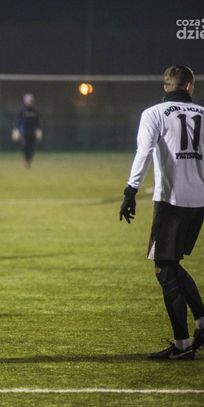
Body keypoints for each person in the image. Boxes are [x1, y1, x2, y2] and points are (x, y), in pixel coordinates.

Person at [120, 65, 204, 360]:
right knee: (171, 263)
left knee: (164, 269)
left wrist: (131, 190)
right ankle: (201, 322)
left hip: (171, 201)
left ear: (165, 86)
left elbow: (143, 151)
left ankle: (182, 345)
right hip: (199, 202)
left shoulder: (154, 113)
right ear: (189, 86)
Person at [13, 93, 42, 169]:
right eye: (28, 101)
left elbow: (38, 122)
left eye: (30, 101)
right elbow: (18, 121)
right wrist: (17, 130)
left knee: (32, 147)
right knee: (25, 147)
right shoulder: (22, 111)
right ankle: (26, 161)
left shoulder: (35, 111)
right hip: (24, 132)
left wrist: (38, 130)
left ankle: (29, 161)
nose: (29, 102)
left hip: (33, 132)